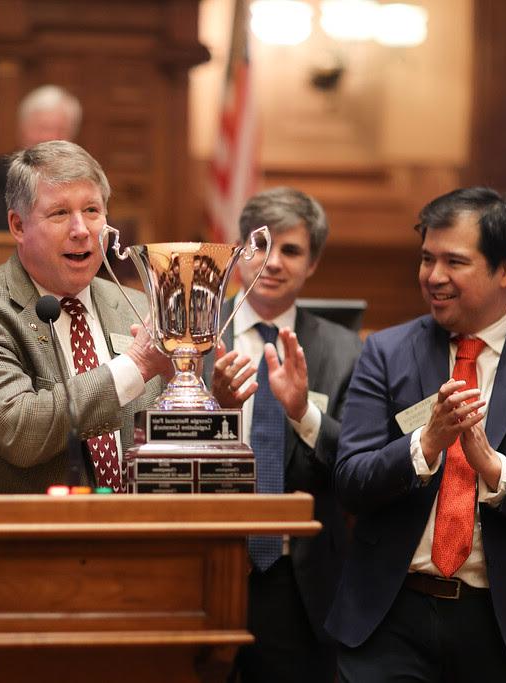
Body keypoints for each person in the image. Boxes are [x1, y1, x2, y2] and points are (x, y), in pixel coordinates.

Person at [325, 187, 506, 682]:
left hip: (501, 627)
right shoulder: (386, 354)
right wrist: (425, 444)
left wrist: (495, 470)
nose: (433, 277)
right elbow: (350, 481)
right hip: (389, 619)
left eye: (454, 261)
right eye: (426, 259)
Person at [0, 140, 172, 494]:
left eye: (92, 210)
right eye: (59, 213)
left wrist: (220, 401)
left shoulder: (138, 307)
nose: (81, 230)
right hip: (8, 541)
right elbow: (20, 432)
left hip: (129, 536)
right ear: (18, 225)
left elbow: (164, 440)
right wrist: (136, 365)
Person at [205, 187, 361, 683]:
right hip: (206, 565)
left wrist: (302, 414)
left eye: (290, 250)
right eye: (259, 246)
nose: (271, 263)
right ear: (237, 250)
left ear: (312, 263)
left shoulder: (343, 350)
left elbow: (359, 461)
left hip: (302, 581)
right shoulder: (190, 333)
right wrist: (217, 413)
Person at [0, 84, 82, 230]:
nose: (51, 137)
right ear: (22, 129)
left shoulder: (83, 178)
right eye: (43, 128)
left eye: (61, 130)